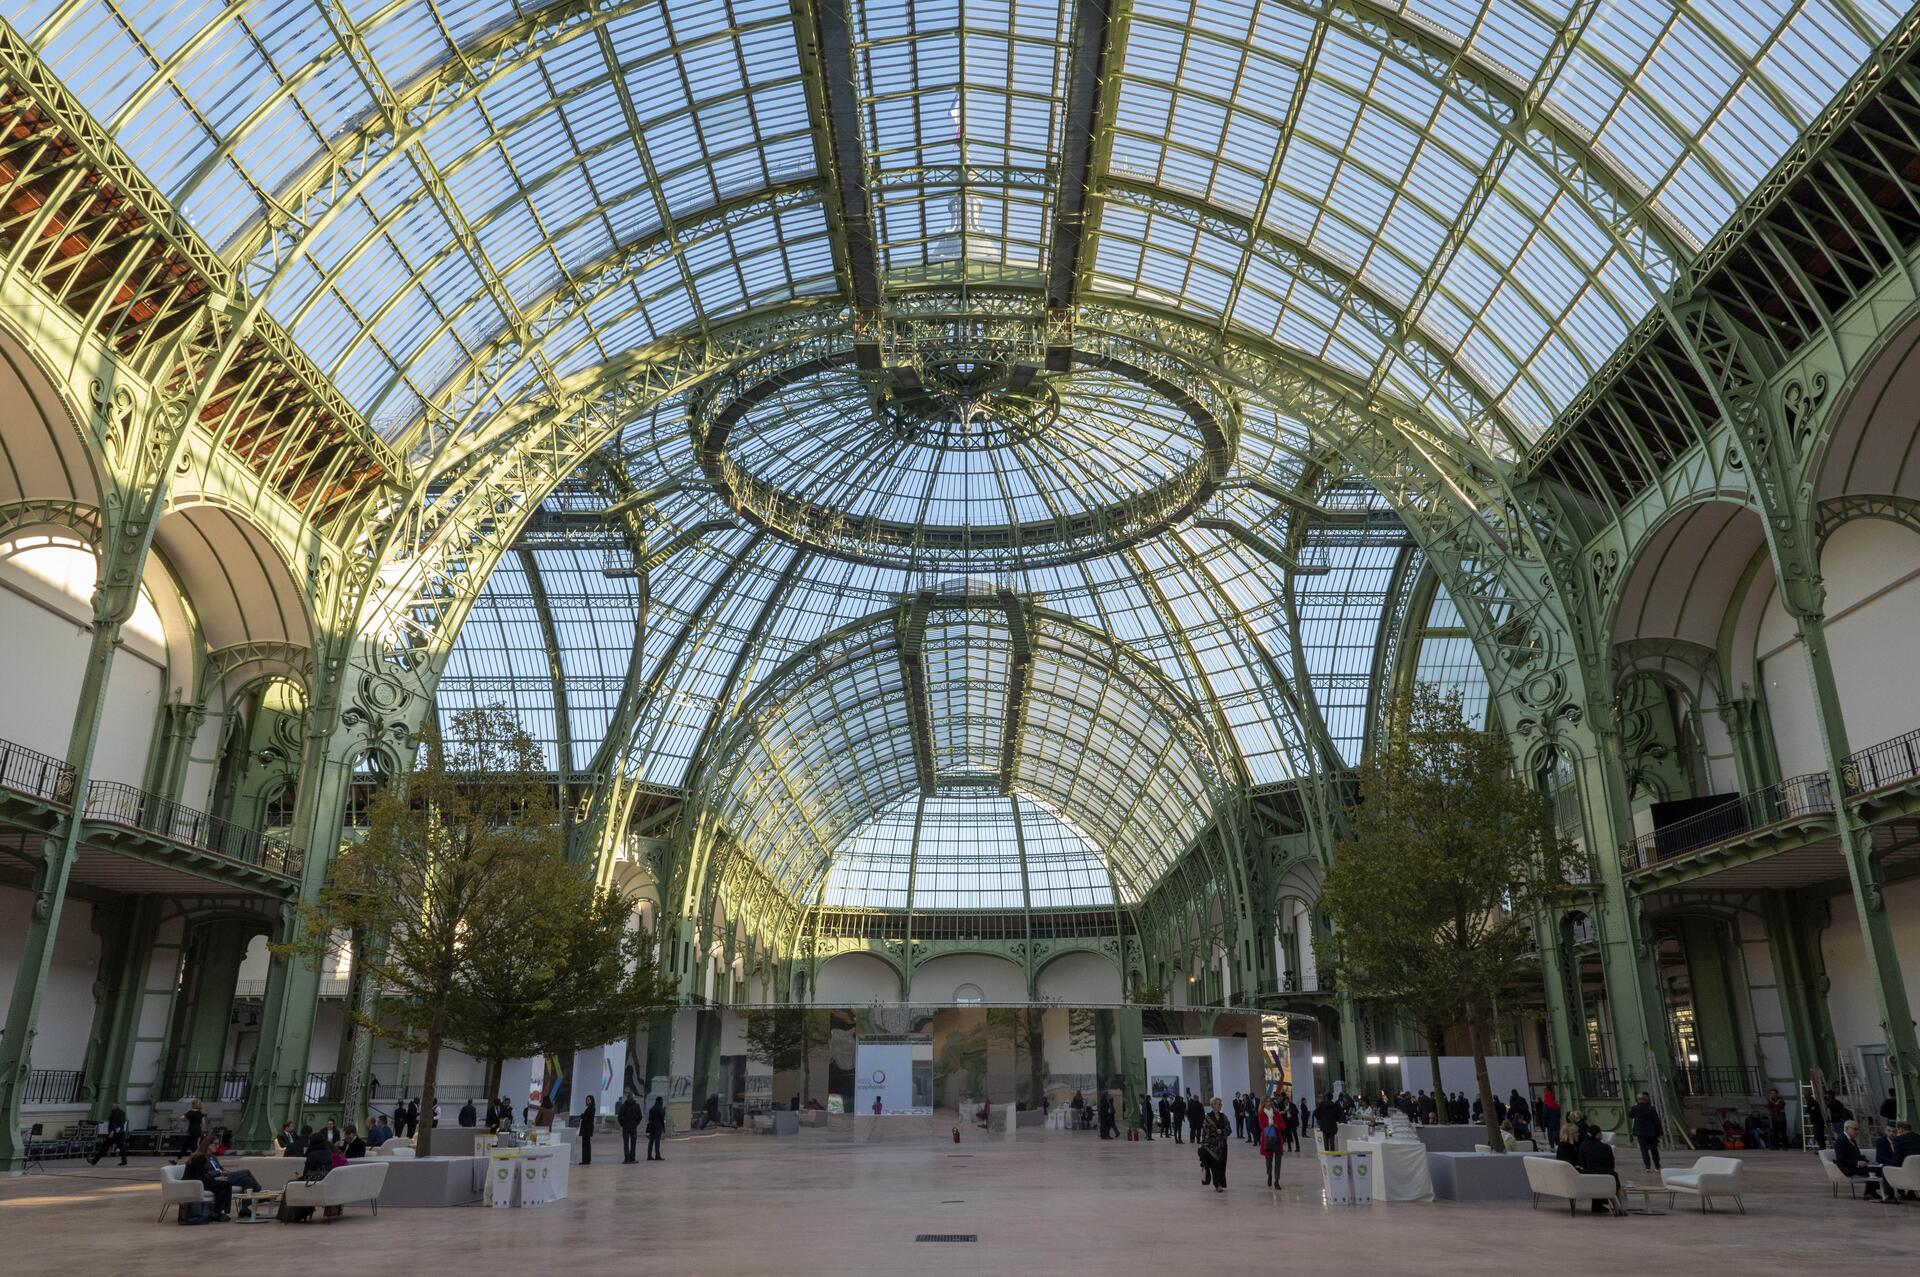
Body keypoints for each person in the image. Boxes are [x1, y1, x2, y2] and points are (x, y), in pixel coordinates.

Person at [1833, 1120, 1885, 1200]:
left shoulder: (1852, 1140)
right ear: (1847, 1128)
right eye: (1855, 1129)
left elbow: (1857, 1155)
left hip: (1855, 1165)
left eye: (1858, 1129)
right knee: (1876, 1171)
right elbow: (1841, 1159)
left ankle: (1871, 1191)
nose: (1857, 1132)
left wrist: (1868, 1162)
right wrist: (1857, 1163)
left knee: (1881, 1168)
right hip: (1848, 1167)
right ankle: (1869, 1192)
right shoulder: (1841, 1140)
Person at [1576, 1125, 1619, 1214]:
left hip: (1589, 1175)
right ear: (1598, 1134)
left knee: (1594, 1174)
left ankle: (1597, 1205)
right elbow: (1611, 1164)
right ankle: (1618, 1206)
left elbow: (1582, 1163)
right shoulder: (1607, 1147)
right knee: (1611, 1175)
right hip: (1606, 1175)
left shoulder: (1583, 1146)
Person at [1200, 1096, 1232, 1192]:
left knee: (1222, 1165)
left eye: (1221, 1104)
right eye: (1219, 1104)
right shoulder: (1208, 1117)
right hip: (1211, 1146)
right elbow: (1205, 1132)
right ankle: (1217, 1184)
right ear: (1213, 1105)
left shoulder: (1223, 1116)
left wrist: (1222, 1131)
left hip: (1222, 1145)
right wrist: (1205, 1143)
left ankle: (1220, 1183)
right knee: (1214, 1165)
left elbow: (1229, 1129)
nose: (1220, 1106)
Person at [1626, 1091, 1662, 1171]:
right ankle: (1657, 1166)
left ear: (1638, 1100)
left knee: (1644, 1150)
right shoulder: (1651, 1108)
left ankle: (1647, 1167)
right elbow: (1656, 1121)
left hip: (1641, 1133)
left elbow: (1630, 1115)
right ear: (1645, 1099)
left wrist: (1635, 1106)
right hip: (1651, 1133)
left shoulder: (1635, 1108)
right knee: (1654, 1150)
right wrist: (1659, 1132)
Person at [88, 1101, 129, 1166]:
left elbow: (114, 1123)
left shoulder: (115, 1113)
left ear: (116, 1106)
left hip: (115, 1134)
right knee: (121, 1147)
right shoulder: (121, 1113)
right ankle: (124, 1161)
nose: (111, 1107)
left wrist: (112, 1131)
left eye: (112, 1106)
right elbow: (122, 1122)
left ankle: (94, 1161)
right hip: (120, 1133)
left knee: (105, 1147)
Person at [172, 1098, 206, 1163]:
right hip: (198, 1130)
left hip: (192, 1130)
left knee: (192, 1147)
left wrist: (187, 1120)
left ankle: (195, 1161)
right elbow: (203, 1122)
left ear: (193, 1105)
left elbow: (182, 1117)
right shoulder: (200, 1113)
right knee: (187, 1145)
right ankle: (176, 1160)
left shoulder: (191, 1112)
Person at [1259, 1100, 1284, 1187]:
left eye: (1270, 1102)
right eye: (1267, 1102)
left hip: (1277, 1140)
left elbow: (1282, 1125)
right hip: (1267, 1140)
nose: (1269, 1103)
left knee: (1278, 1161)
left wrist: (1276, 1125)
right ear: (1263, 1104)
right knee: (1268, 1162)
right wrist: (1270, 1123)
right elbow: (1262, 1126)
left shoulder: (1276, 1113)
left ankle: (1277, 1181)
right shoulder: (1261, 1114)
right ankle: (1269, 1174)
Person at [618, 1092, 643, 1164]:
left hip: (626, 1127)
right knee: (633, 1143)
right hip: (633, 1127)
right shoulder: (636, 1106)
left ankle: (627, 1158)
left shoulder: (623, 1106)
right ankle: (632, 1158)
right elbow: (640, 1117)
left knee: (626, 1143)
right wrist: (636, 1123)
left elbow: (619, 1117)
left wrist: (623, 1124)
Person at [645, 1095, 667, 1161]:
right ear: (660, 1101)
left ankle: (649, 1155)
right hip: (658, 1127)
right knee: (657, 1142)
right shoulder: (659, 1108)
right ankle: (657, 1155)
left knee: (651, 1141)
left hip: (652, 1127)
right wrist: (664, 1110)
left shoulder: (652, 1108)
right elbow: (662, 1116)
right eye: (662, 1101)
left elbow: (650, 1118)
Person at [578, 1094, 596, 1165]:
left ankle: (586, 1160)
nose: (587, 1101)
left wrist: (582, 1115)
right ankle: (586, 1159)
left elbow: (587, 1117)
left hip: (587, 1129)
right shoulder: (589, 1108)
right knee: (586, 1144)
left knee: (586, 1145)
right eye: (587, 1100)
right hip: (586, 1128)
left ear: (591, 1100)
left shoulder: (591, 1108)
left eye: (589, 1100)